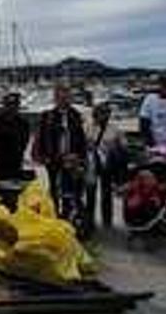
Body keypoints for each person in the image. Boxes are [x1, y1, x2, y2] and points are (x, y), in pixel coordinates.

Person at [33, 84, 87, 222]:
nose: (64, 99)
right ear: (56, 98)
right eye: (60, 96)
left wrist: (79, 157)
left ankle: (68, 216)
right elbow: (41, 137)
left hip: (72, 159)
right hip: (53, 159)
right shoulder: (48, 116)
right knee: (54, 189)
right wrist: (42, 156)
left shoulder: (75, 115)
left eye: (66, 96)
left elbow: (81, 138)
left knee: (70, 190)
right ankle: (54, 214)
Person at [84, 103, 127, 234]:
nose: (104, 116)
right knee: (90, 193)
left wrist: (114, 147)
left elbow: (124, 145)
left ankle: (107, 220)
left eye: (106, 113)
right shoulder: (87, 127)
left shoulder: (115, 129)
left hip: (107, 164)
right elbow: (81, 143)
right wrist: (88, 145)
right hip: (91, 163)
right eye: (101, 113)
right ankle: (90, 220)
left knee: (106, 193)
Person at [0, 92, 30, 180]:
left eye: (14, 105)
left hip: (17, 165)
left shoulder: (23, 124)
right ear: (5, 106)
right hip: (0, 166)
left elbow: (24, 143)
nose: (12, 107)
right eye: (9, 105)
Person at [139, 73, 166, 153]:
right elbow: (144, 123)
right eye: (164, 83)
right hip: (155, 146)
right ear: (160, 84)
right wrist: (151, 145)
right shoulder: (150, 99)